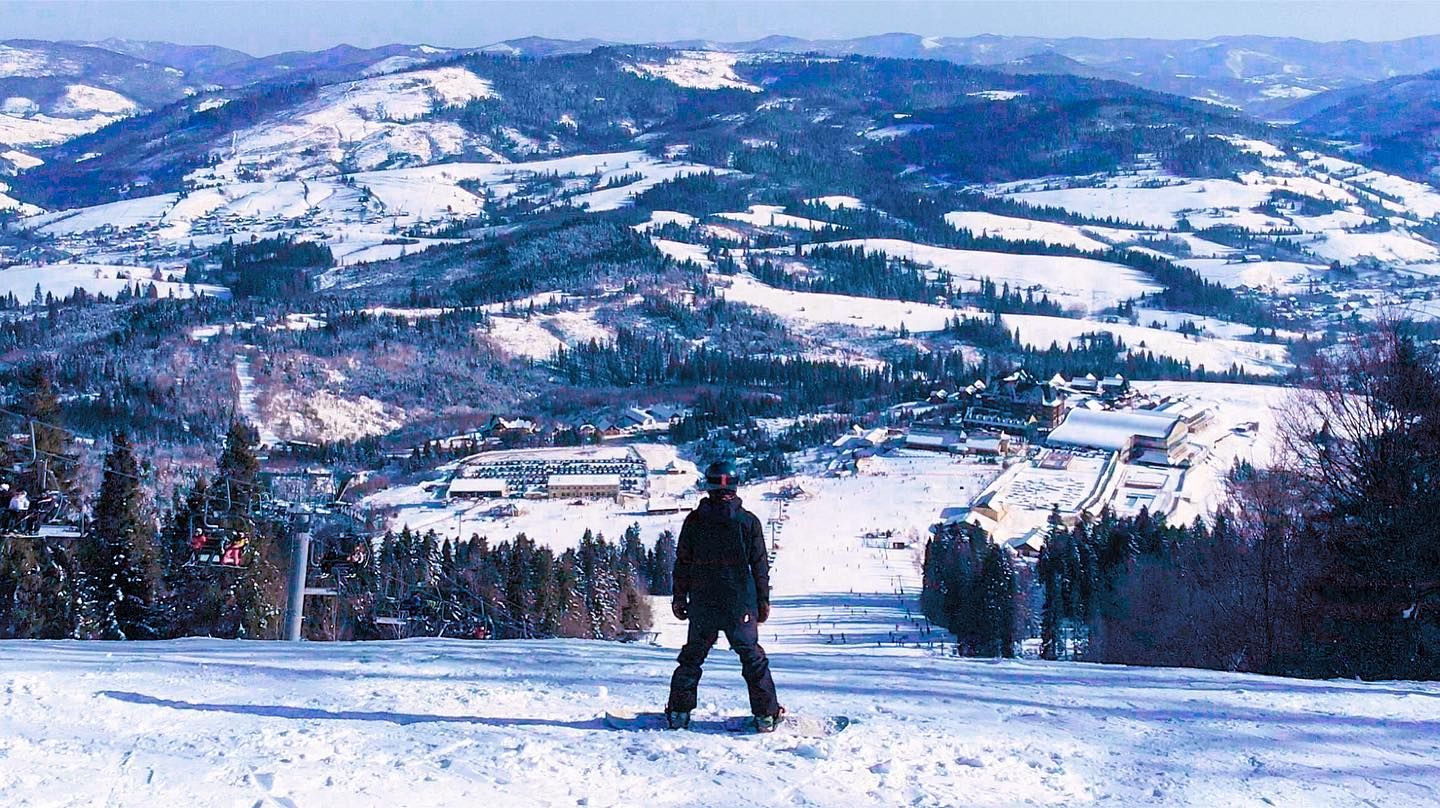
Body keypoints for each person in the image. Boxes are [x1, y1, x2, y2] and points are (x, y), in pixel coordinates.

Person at [665, 460, 783, 732]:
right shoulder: (748, 521)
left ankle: (679, 713)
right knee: (752, 659)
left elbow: (683, 561)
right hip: (740, 603)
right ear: (735, 486)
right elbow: (760, 565)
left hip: (703, 602)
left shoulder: (695, 521)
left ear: (708, 487)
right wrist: (763, 600)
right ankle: (766, 716)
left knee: (692, 657)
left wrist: (679, 597)